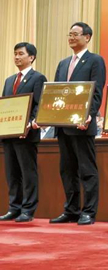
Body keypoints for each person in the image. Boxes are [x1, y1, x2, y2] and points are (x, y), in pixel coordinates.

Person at [49, 22, 106, 226]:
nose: (71, 37)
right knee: (67, 169)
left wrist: (89, 114)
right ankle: (71, 210)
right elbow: (56, 92)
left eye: (76, 34)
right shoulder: (63, 63)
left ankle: (89, 211)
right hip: (63, 125)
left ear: (87, 37)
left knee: (86, 170)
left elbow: (97, 91)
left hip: (83, 124)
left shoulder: (95, 60)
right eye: (70, 34)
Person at [0, 43, 46, 223]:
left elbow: (39, 104)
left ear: (31, 57)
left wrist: (30, 123)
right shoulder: (9, 80)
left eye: (21, 54)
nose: (17, 57)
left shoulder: (38, 78)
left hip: (27, 134)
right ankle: (14, 207)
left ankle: (28, 209)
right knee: (12, 173)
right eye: (15, 54)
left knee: (28, 172)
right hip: (9, 134)